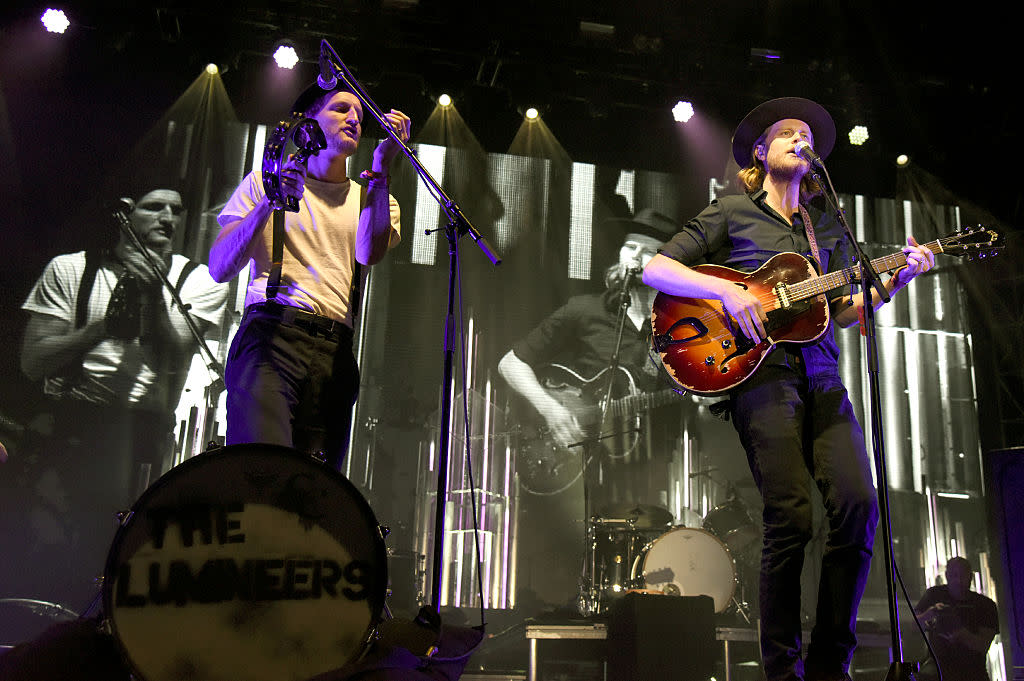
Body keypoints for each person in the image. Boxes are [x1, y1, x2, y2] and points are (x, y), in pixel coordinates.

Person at [642, 97, 936, 681]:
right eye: (787, 133)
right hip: (761, 375)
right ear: (761, 151)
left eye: (807, 135)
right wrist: (729, 294)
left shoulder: (824, 226)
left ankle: (831, 664)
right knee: (792, 517)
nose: (801, 139)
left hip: (823, 375)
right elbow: (655, 268)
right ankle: (781, 668)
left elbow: (845, 311)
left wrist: (896, 277)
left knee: (857, 507)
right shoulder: (730, 210)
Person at [17, 187, 228, 605]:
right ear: (127, 214)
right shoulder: (71, 269)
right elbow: (33, 362)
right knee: (50, 550)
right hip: (71, 425)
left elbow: (181, 346)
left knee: (114, 551)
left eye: (176, 210)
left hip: (141, 434)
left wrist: (151, 293)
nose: (167, 217)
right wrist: (99, 329)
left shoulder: (199, 281)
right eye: (155, 207)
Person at [209, 81, 410, 470]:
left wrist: (382, 173)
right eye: (340, 109)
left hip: (335, 351)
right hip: (272, 336)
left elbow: (370, 252)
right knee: (263, 470)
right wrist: (270, 198)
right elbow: (220, 267)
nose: (354, 119)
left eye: (360, 115)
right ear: (309, 121)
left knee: (316, 491)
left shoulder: (373, 197)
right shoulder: (260, 181)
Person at [915, 556, 999, 681]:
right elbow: (913, 625)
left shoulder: (985, 605)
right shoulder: (934, 595)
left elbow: (983, 646)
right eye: (954, 575)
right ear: (947, 576)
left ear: (970, 577)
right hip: (937, 669)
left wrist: (961, 634)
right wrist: (930, 613)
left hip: (972, 671)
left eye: (962, 576)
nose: (958, 581)